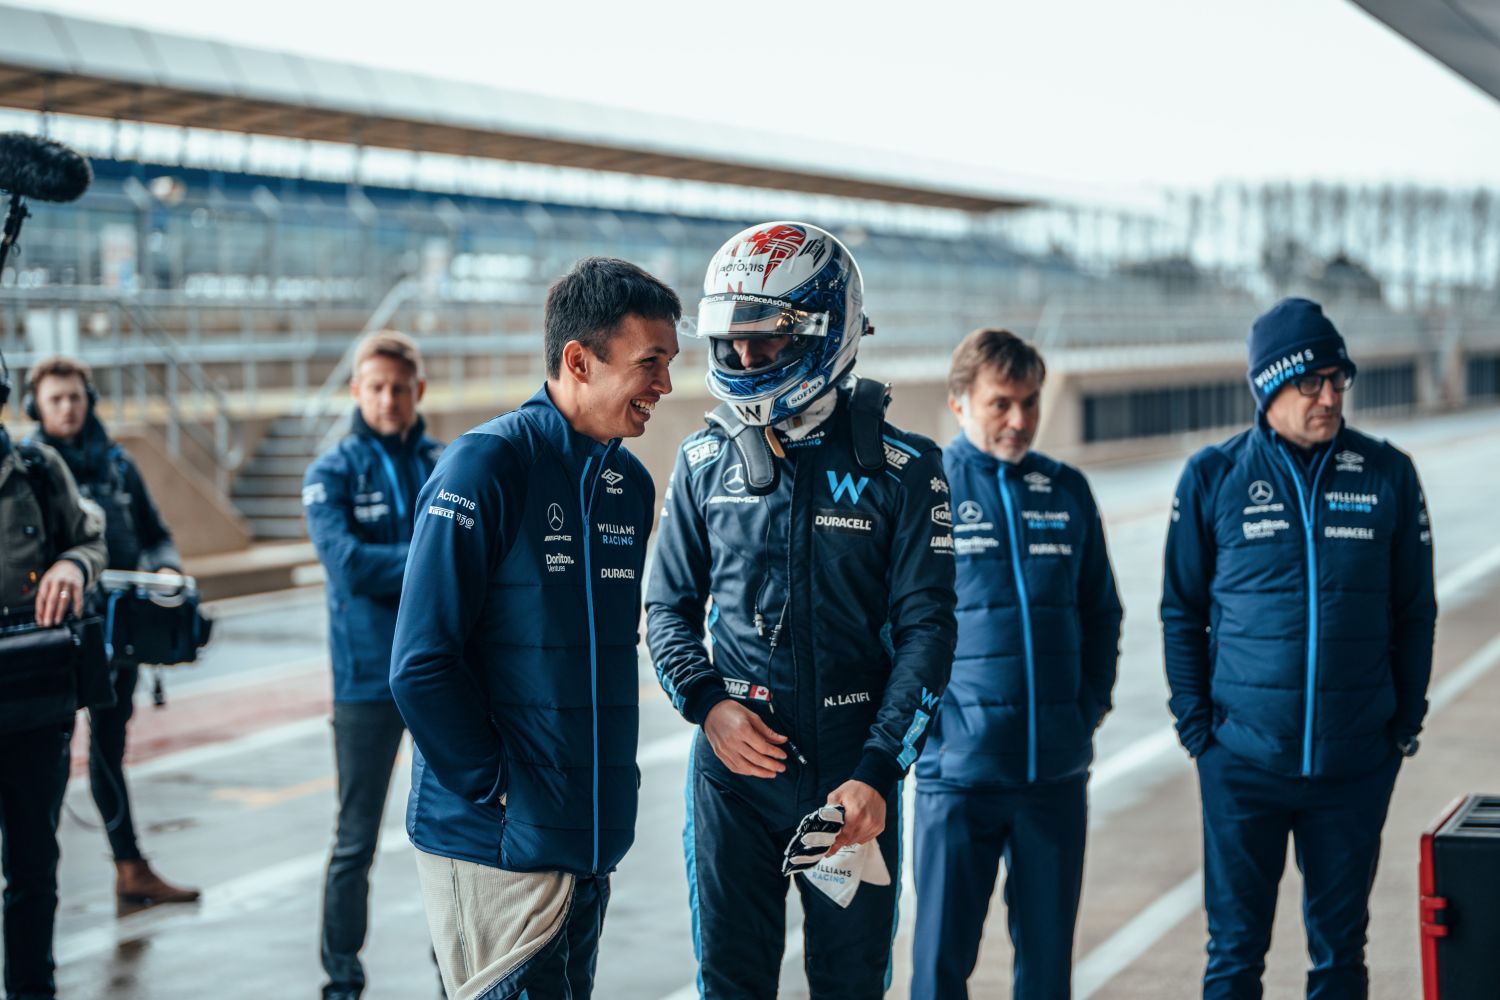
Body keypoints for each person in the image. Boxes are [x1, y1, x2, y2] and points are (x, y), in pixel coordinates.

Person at [647, 221, 957, 999]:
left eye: (766, 339)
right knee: (732, 986)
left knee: (850, 988)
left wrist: (879, 770)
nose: (745, 356)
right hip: (732, 776)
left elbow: (927, 633)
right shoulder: (702, 460)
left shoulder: (906, 469)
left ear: (828, 329)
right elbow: (666, 609)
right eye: (732, 340)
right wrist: (708, 706)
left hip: (852, 781)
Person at [390, 257, 679, 1000]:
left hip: (587, 840)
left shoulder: (627, 485)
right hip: (497, 846)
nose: (666, 385)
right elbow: (421, 664)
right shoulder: (485, 466)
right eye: (650, 363)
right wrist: (499, 788)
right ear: (578, 361)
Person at [1161, 298, 1436, 998]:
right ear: (1268, 388)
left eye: (1338, 380)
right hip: (1241, 762)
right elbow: (1181, 611)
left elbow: (1414, 611)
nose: (1330, 397)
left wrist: (1402, 724)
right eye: (1311, 382)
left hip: (1354, 764)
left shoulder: (1388, 474)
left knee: (1341, 955)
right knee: (1234, 956)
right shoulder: (1213, 477)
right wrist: (1198, 732)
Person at [910, 329, 1122, 999]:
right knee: (939, 972)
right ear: (959, 403)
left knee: (1048, 976)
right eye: (1001, 402)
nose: (1020, 419)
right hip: (957, 779)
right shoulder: (924, 491)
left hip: (1053, 780)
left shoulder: (1066, 490)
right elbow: (891, 631)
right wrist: (929, 736)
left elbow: (1102, 613)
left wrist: (1084, 712)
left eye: (1030, 402)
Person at [24, 356, 199, 908]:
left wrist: (165, 569)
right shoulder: (29, 470)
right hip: (50, 639)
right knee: (42, 762)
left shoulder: (119, 465)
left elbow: (156, 533)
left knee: (107, 751)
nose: (67, 408)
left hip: (118, 635)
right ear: (35, 407)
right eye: (56, 399)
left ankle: (130, 868)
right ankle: (32, 882)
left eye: (75, 397)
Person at [302, 331, 444, 1000]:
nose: (388, 399)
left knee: (454, 836)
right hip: (365, 681)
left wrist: (425, 561)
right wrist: (433, 558)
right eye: (376, 387)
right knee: (355, 838)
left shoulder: (446, 463)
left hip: (442, 676)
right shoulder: (329, 473)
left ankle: (457, 971)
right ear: (357, 390)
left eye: (400, 388)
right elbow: (350, 566)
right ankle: (342, 980)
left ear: (419, 391)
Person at [0, 349, 107, 1000]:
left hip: (35, 708)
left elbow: (91, 540)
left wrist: (73, 564)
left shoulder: (38, 470)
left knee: (33, 869)